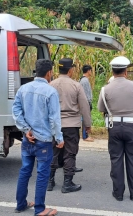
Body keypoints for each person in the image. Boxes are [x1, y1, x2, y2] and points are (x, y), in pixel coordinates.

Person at [12, 59, 64, 216]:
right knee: (42, 174)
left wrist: (26, 129)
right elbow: (54, 119)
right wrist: (59, 138)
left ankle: (21, 204)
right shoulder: (50, 92)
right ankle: (40, 209)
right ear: (49, 73)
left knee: (25, 171)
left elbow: (16, 111)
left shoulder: (23, 89)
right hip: (44, 141)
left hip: (28, 139)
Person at [97, 56, 133, 202]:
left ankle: (118, 193)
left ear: (112, 72)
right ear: (126, 71)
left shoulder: (105, 88)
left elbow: (101, 107)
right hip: (132, 127)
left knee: (116, 160)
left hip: (114, 127)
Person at [47, 58, 92, 193]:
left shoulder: (50, 85)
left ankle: (49, 182)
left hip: (54, 125)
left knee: (52, 153)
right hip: (71, 124)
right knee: (70, 153)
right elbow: (84, 106)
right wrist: (87, 125)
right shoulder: (76, 85)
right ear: (70, 70)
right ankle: (67, 183)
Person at [79, 64, 94, 142]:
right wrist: (88, 103)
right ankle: (85, 136)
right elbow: (85, 93)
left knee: (85, 119)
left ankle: (86, 135)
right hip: (86, 103)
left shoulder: (83, 80)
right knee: (85, 119)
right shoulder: (84, 81)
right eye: (91, 70)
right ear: (88, 71)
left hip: (86, 102)